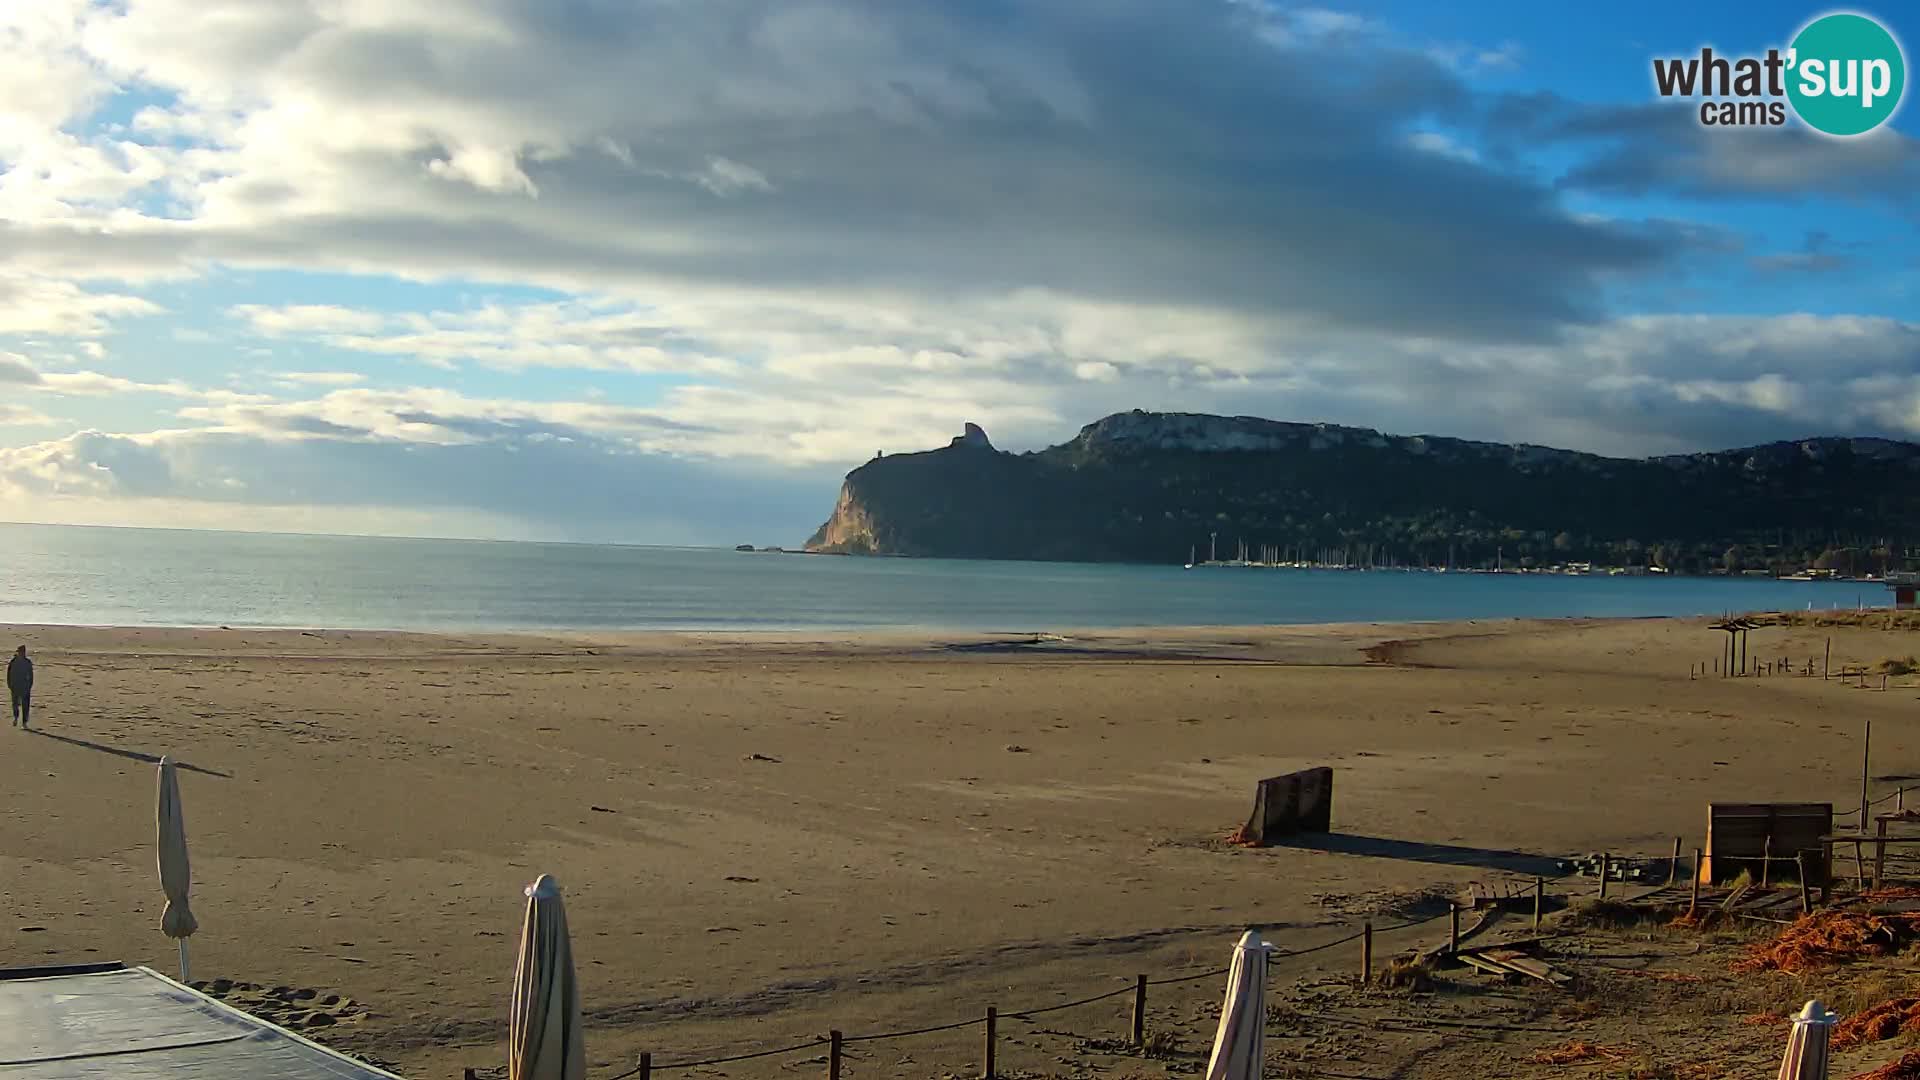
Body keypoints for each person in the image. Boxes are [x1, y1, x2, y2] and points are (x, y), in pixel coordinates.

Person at [7, 645, 30, 729]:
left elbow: (30, 675)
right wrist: (9, 684)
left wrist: (29, 686)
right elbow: (8, 674)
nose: (21, 653)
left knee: (25, 706)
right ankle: (16, 717)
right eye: (19, 652)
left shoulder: (27, 662)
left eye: (22, 652)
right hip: (15, 686)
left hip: (24, 687)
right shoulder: (13, 661)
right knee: (15, 704)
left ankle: (24, 722)